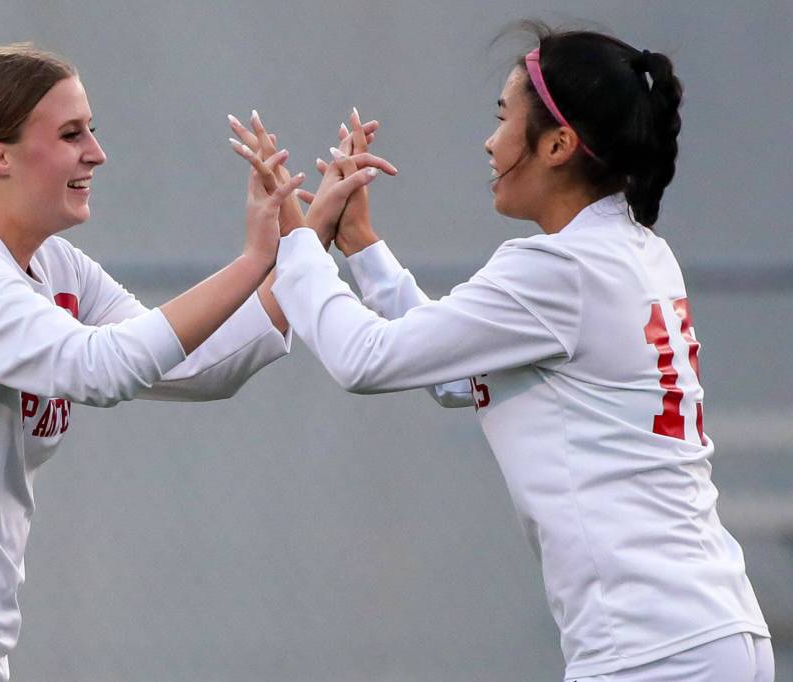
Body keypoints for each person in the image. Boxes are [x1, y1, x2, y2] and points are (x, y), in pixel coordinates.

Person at [0, 43, 376, 682]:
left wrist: (303, 245)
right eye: (71, 134)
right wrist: (253, 261)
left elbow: (202, 366)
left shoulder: (55, 267)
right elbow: (100, 367)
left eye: (90, 130)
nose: (96, 152)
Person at [261, 24, 774, 682]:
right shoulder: (630, 251)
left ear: (558, 144)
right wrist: (360, 246)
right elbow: (454, 375)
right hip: (704, 629)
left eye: (504, 117)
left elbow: (363, 359)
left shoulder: (561, 270)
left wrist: (299, 249)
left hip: (655, 646)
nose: (490, 140)